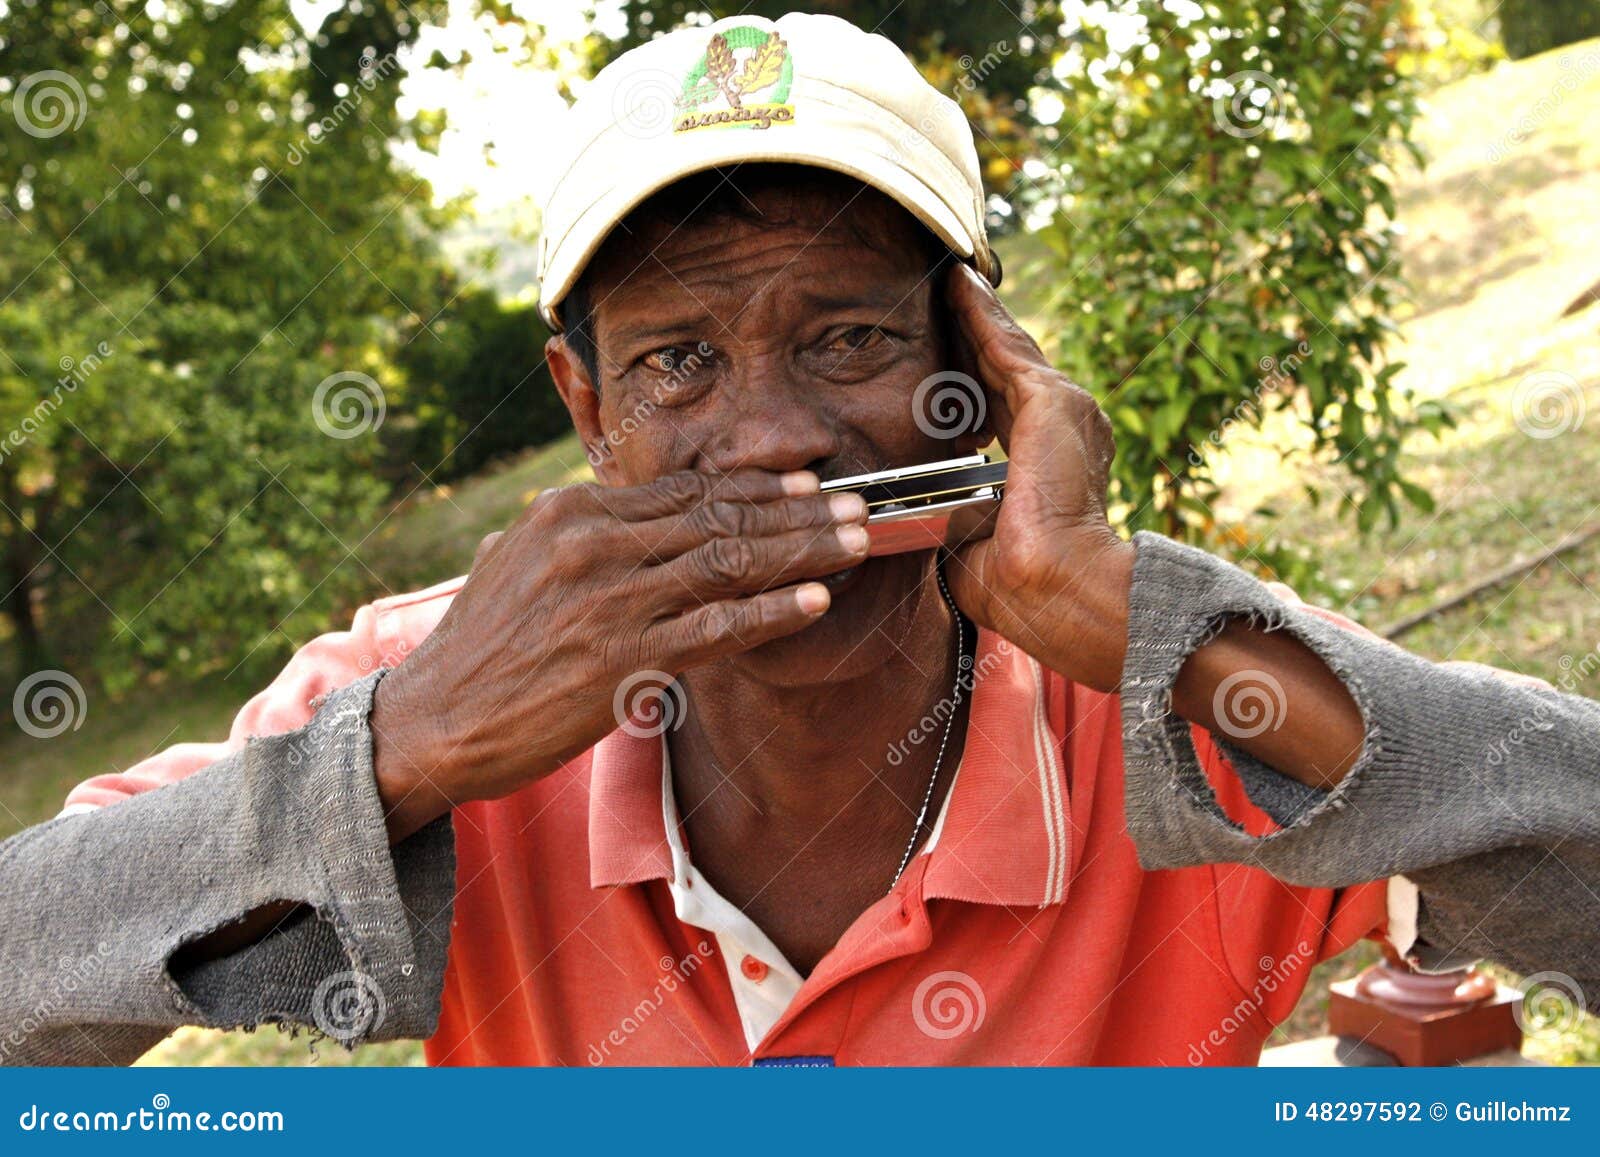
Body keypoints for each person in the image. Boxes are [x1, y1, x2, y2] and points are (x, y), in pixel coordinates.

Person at [3, 11, 1597, 1068]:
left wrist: (1157, 624)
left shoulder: (1169, 688)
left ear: (981, 369)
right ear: (585, 407)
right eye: (679, 361)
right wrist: (405, 748)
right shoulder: (439, 694)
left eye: (845, 339)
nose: (771, 438)